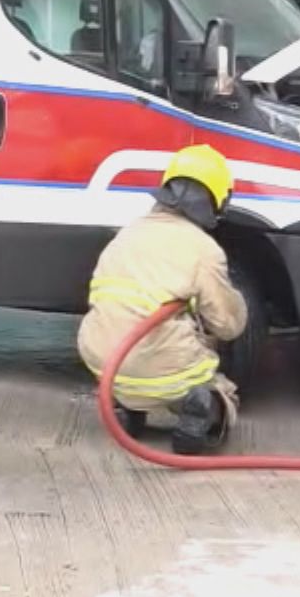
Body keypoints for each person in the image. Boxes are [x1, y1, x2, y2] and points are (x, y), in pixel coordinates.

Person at [77, 144, 248, 455]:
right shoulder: (204, 249)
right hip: (164, 369)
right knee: (220, 389)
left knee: (133, 328)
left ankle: (125, 405)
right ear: (216, 200)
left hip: (103, 363)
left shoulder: (126, 235)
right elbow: (228, 326)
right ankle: (202, 408)